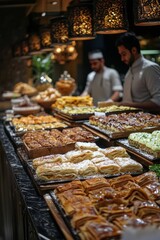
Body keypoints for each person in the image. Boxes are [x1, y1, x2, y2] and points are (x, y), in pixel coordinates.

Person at [115, 32, 160, 112]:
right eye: (120, 55)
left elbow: (158, 102)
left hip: (148, 122)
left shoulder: (150, 68)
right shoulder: (129, 72)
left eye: (124, 54)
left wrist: (128, 105)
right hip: (128, 122)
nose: (122, 59)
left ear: (134, 50)